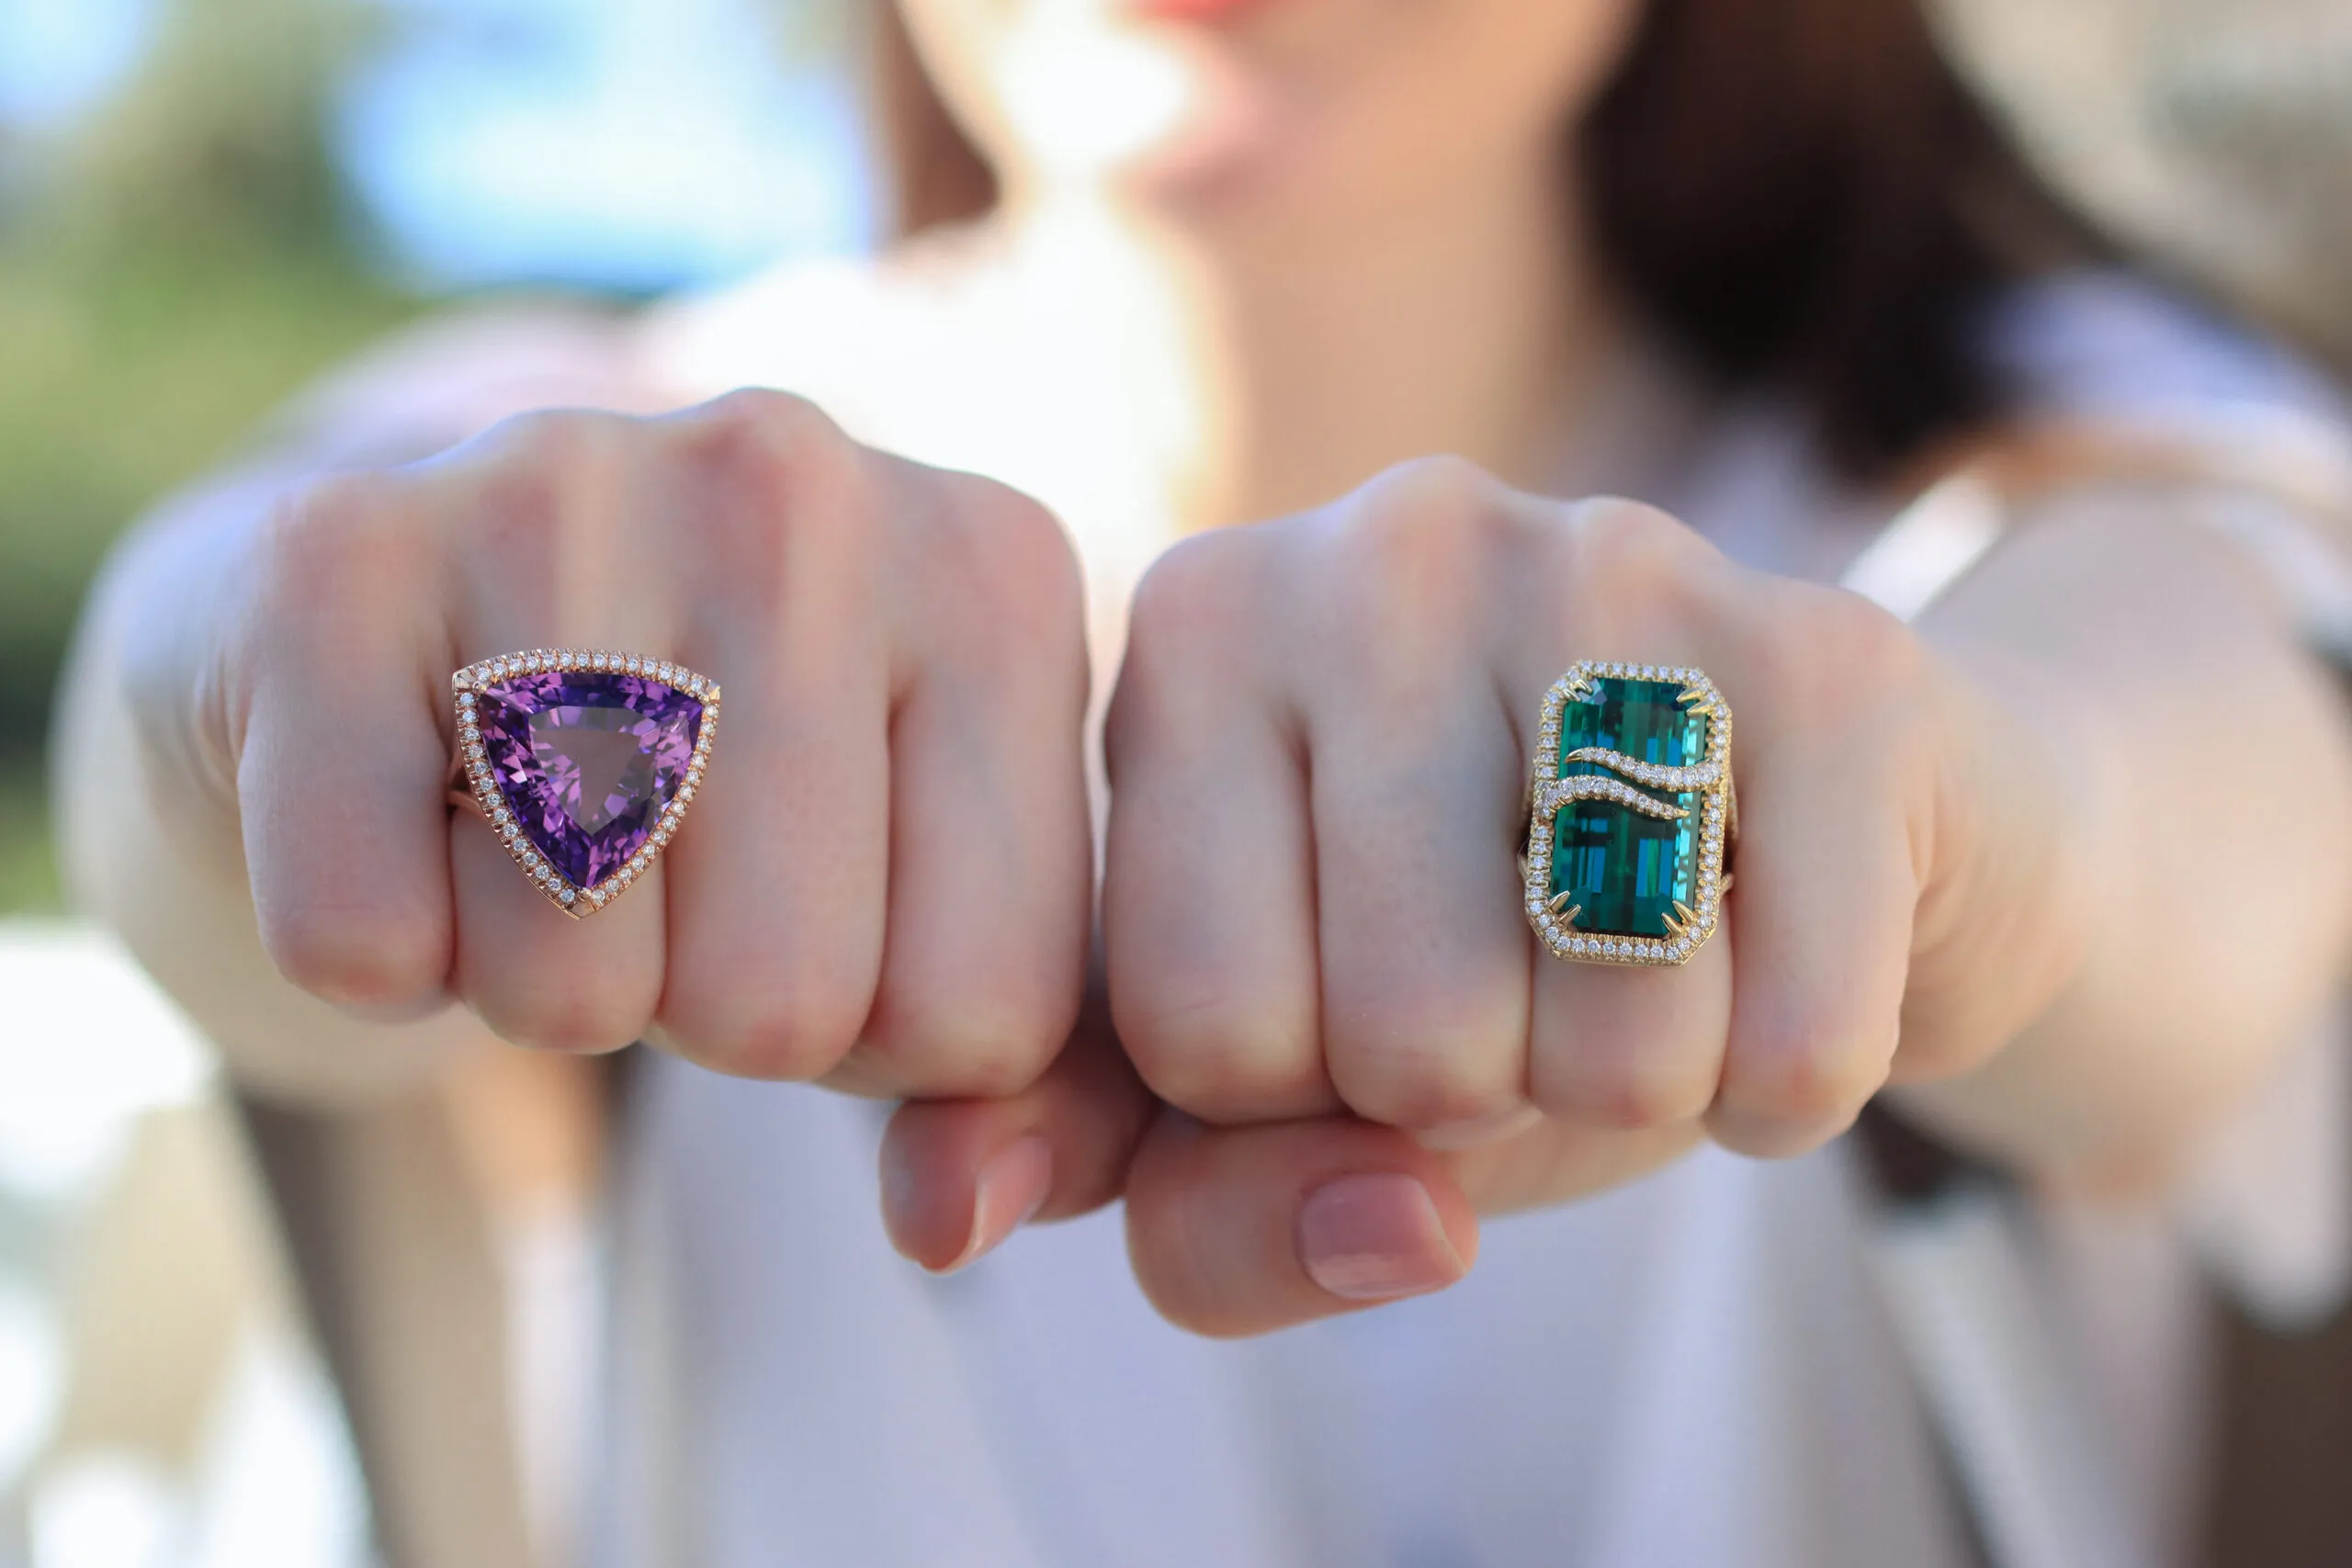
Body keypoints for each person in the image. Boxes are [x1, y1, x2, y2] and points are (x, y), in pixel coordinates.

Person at [54, 0, 2352, 1562]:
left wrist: (1978, 842)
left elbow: (2205, 775)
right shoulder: (604, 467)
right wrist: (256, 692)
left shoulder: (2067, 453)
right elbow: (215, 698)